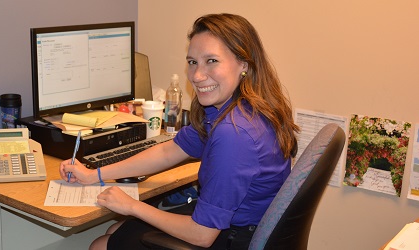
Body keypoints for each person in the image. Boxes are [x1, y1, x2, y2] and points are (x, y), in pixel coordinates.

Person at [59, 13, 299, 249]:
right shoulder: (237, 109)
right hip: (237, 225)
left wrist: (132, 206)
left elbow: (202, 236)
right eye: (193, 62)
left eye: (212, 61)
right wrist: (94, 175)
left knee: (101, 244)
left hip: (231, 238)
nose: (196, 75)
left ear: (244, 64)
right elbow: (169, 152)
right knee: (116, 231)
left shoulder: (235, 134)